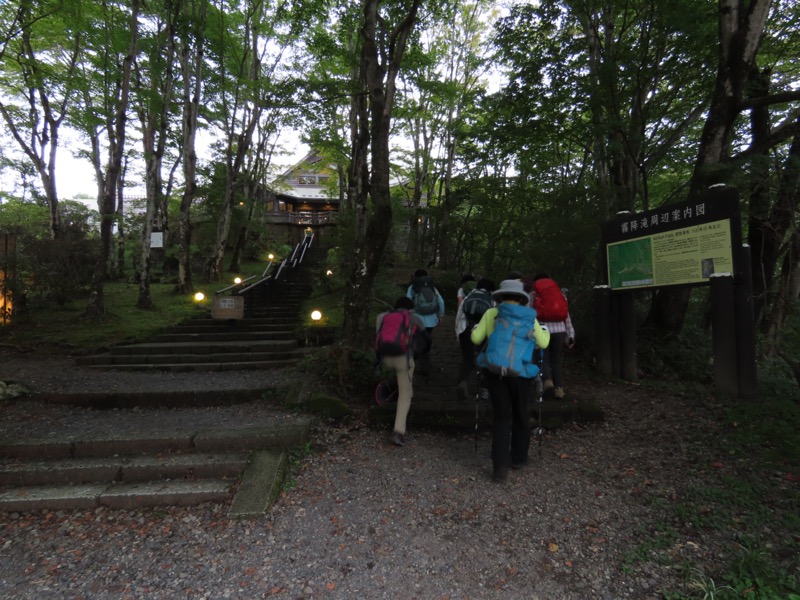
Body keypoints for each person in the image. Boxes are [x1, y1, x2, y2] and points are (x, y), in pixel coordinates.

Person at [471, 279, 550, 482]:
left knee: (501, 418)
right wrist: (545, 332)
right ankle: (519, 458)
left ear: (500, 296)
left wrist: (476, 330)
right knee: (521, 414)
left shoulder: (491, 313)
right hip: (521, 375)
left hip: (495, 372)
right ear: (520, 298)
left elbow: (476, 339)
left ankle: (500, 468)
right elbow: (542, 342)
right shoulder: (528, 317)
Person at [375, 297, 430, 446]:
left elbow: (379, 338)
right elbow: (427, 339)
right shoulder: (415, 318)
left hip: (385, 358)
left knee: (399, 375)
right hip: (403, 360)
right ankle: (398, 432)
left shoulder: (383, 316)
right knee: (406, 394)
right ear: (410, 308)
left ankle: (388, 389)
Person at [528, 273, 575, 400]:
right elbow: (567, 316)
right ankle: (559, 388)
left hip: (541, 330)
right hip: (560, 331)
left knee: (541, 358)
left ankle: (547, 380)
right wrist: (571, 335)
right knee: (556, 360)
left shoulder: (533, 295)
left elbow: (529, 315)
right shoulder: (561, 295)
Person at [454, 277, 495, 402]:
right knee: (484, 359)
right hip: (483, 332)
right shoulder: (491, 299)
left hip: (464, 329)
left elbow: (459, 316)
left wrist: (458, 334)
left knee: (467, 358)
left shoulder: (468, 297)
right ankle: (484, 389)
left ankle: (463, 382)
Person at [406, 269, 445, 376]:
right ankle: (424, 365)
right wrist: (440, 316)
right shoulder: (432, 288)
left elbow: (408, 302)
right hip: (431, 321)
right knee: (424, 342)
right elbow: (441, 302)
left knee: (418, 343)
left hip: (416, 320)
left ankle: (414, 364)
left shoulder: (412, 288)